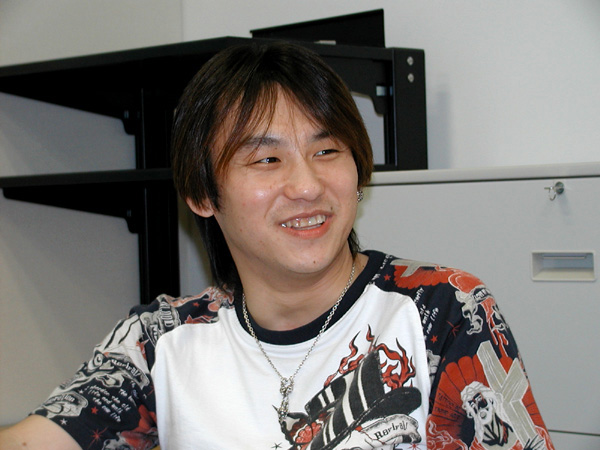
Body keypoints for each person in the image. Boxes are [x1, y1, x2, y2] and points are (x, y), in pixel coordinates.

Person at [0, 42, 554, 450]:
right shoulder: (159, 342)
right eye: (267, 159)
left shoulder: (441, 310)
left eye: (327, 151)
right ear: (202, 194)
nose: (307, 186)